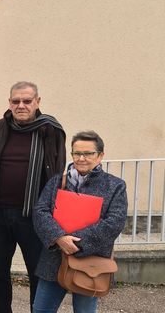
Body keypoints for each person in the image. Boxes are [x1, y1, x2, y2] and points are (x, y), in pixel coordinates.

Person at [0, 81, 66, 313]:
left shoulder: (50, 130)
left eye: (27, 101)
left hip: (34, 217)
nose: (21, 105)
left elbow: (57, 173)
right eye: (16, 101)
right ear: (9, 103)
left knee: (37, 273)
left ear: (37, 102)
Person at [32, 131, 128, 312]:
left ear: (100, 155)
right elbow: (40, 212)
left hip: (90, 263)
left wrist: (75, 242)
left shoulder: (115, 186)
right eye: (77, 153)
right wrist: (60, 238)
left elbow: (114, 223)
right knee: (41, 310)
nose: (81, 158)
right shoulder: (57, 182)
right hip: (54, 259)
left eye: (88, 153)